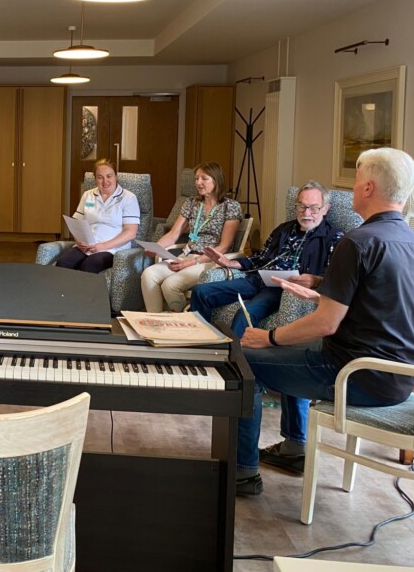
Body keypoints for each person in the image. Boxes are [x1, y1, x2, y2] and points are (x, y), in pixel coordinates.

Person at [235, 148, 414, 496]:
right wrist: (322, 298)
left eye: (357, 182)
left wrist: (269, 336)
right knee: (297, 343)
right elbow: (386, 308)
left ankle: (243, 472)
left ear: (370, 188)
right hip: (400, 379)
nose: (353, 189)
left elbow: (326, 325)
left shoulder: (357, 242)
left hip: (355, 376)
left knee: (244, 360)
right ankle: (295, 447)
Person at [189, 181, 344, 474]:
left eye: (312, 207)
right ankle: (201, 356)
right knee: (202, 292)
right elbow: (260, 258)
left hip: (284, 291)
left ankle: (232, 374)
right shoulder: (284, 229)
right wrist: (229, 263)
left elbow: (335, 278)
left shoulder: (335, 237)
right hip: (259, 278)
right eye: (301, 206)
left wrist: (315, 280)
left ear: (325, 209)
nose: (306, 212)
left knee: (241, 322)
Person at [140, 162, 242, 312]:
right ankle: (154, 320)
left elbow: (224, 246)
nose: (198, 183)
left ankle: (182, 322)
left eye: (204, 179)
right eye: (196, 179)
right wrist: (157, 248)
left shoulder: (230, 206)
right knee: (149, 274)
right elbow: (173, 234)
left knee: (170, 285)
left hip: (211, 261)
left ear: (216, 180)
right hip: (187, 256)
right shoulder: (191, 203)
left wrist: (190, 263)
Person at [56, 159, 140, 273]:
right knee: (63, 263)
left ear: (116, 176)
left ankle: (82, 292)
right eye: (100, 177)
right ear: (95, 179)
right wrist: (79, 241)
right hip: (86, 246)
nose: (105, 181)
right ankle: (63, 292)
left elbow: (130, 232)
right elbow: (77, 223)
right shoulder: (88, 195)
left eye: (109, 176)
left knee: (90, 264)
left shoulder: (128, 198)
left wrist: (103, 246)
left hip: (112, 249)